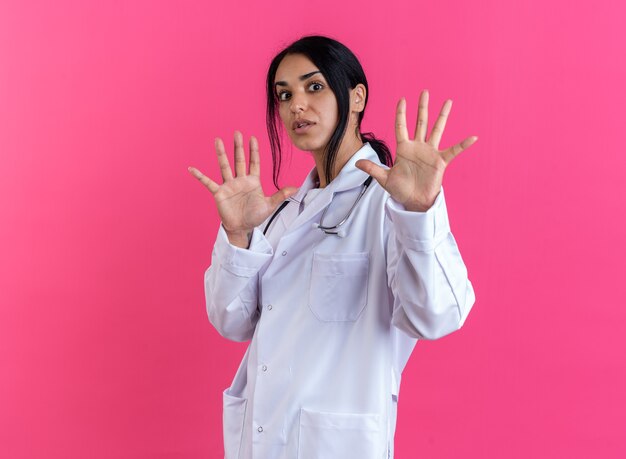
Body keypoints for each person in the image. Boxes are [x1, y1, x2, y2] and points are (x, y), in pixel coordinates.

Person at [188, 35, 477, 459]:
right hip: (263, 439)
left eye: (314, 86)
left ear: (356, 96)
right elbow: (231, 322)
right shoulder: (281, 211)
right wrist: (238, 236)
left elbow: (438, 315)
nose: (296, 105)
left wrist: (420, 212)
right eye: (284, 95)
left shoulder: (389, 202)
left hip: (336, 445)